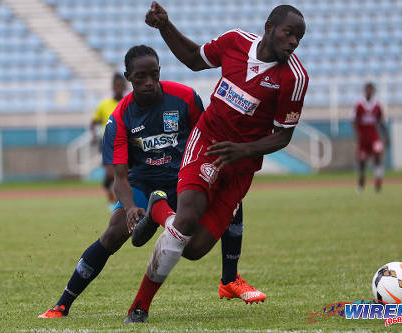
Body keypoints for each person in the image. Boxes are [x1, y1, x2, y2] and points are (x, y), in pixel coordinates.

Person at [38, 45, 264, 319]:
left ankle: (230, 279)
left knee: (232, 199)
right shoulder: (120, 117)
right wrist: (131, 206)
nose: (148, 82)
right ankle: (62, 304)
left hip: (184, 178)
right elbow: (119, 176)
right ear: (128, 77)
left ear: (159, 72)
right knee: (113, 232)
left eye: (153, 75)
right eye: (140, 77)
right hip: (143, 184)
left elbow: (205, 136)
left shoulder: (185, 98)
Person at [125, 2, 308, 323]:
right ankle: (140, 306)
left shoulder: (294, 79)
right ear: (269, 28)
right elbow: (195, 59)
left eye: (299, 38)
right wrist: (165, 26)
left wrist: (243, 150)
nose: (293, 42)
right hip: (206, 143)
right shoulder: (236, 41)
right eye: (288, 33)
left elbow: (282, 137)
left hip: (241, 166)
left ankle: (158, 209)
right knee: (185, 224)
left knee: (194, 249)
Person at [90, 73, 127, 209]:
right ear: (113, 87)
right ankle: (111, 200)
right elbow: (93, 122)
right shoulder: (104, 104)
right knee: (110, 174)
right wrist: (94, 135)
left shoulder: (129, 102)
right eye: (116, 86)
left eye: (121, 85)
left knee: (124, 173)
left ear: (124, 86)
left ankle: (120, 201)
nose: (118, 88)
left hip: (126, 143)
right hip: (108, 143)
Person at [353, 82, 390, 193]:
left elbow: (381, 122)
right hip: (363, 139)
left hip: (374, 137)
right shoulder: (359, 105)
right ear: (365, 90)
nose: (369, 91)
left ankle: (378, 181)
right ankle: (361, 183)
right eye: (368, 89)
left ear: (373, 91)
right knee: (362, 161)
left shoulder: (377, 105)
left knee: (378, 157)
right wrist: (357, 134)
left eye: (371, 89)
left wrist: (386, 136)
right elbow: (354, 121)